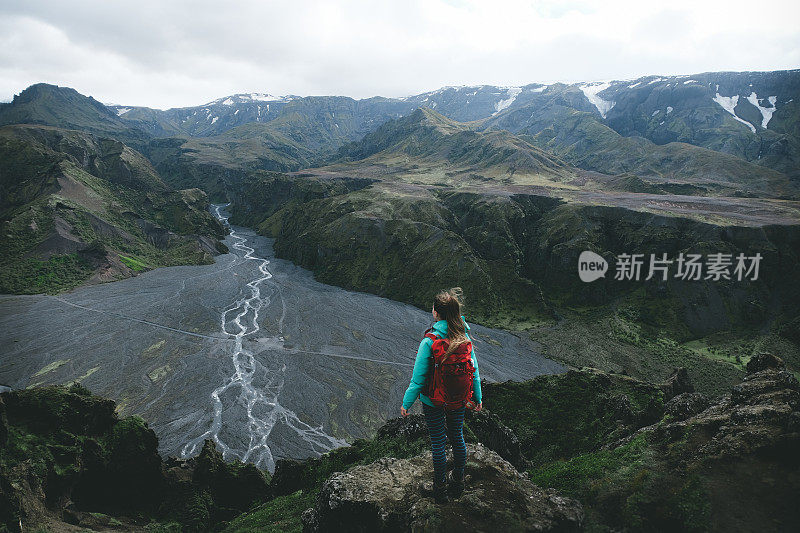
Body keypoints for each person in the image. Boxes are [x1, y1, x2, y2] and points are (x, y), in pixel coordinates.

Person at [400, 287, 482, 503]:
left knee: (438, 442)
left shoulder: (429, 342)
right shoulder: (464, 339)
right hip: (458, 400)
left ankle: (440, 490)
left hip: (433, 400)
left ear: (436, 313)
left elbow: (418, 379)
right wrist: (477, 397)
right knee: (458, 437)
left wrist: (406, 404)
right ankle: (458, 481)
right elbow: (474, 371)